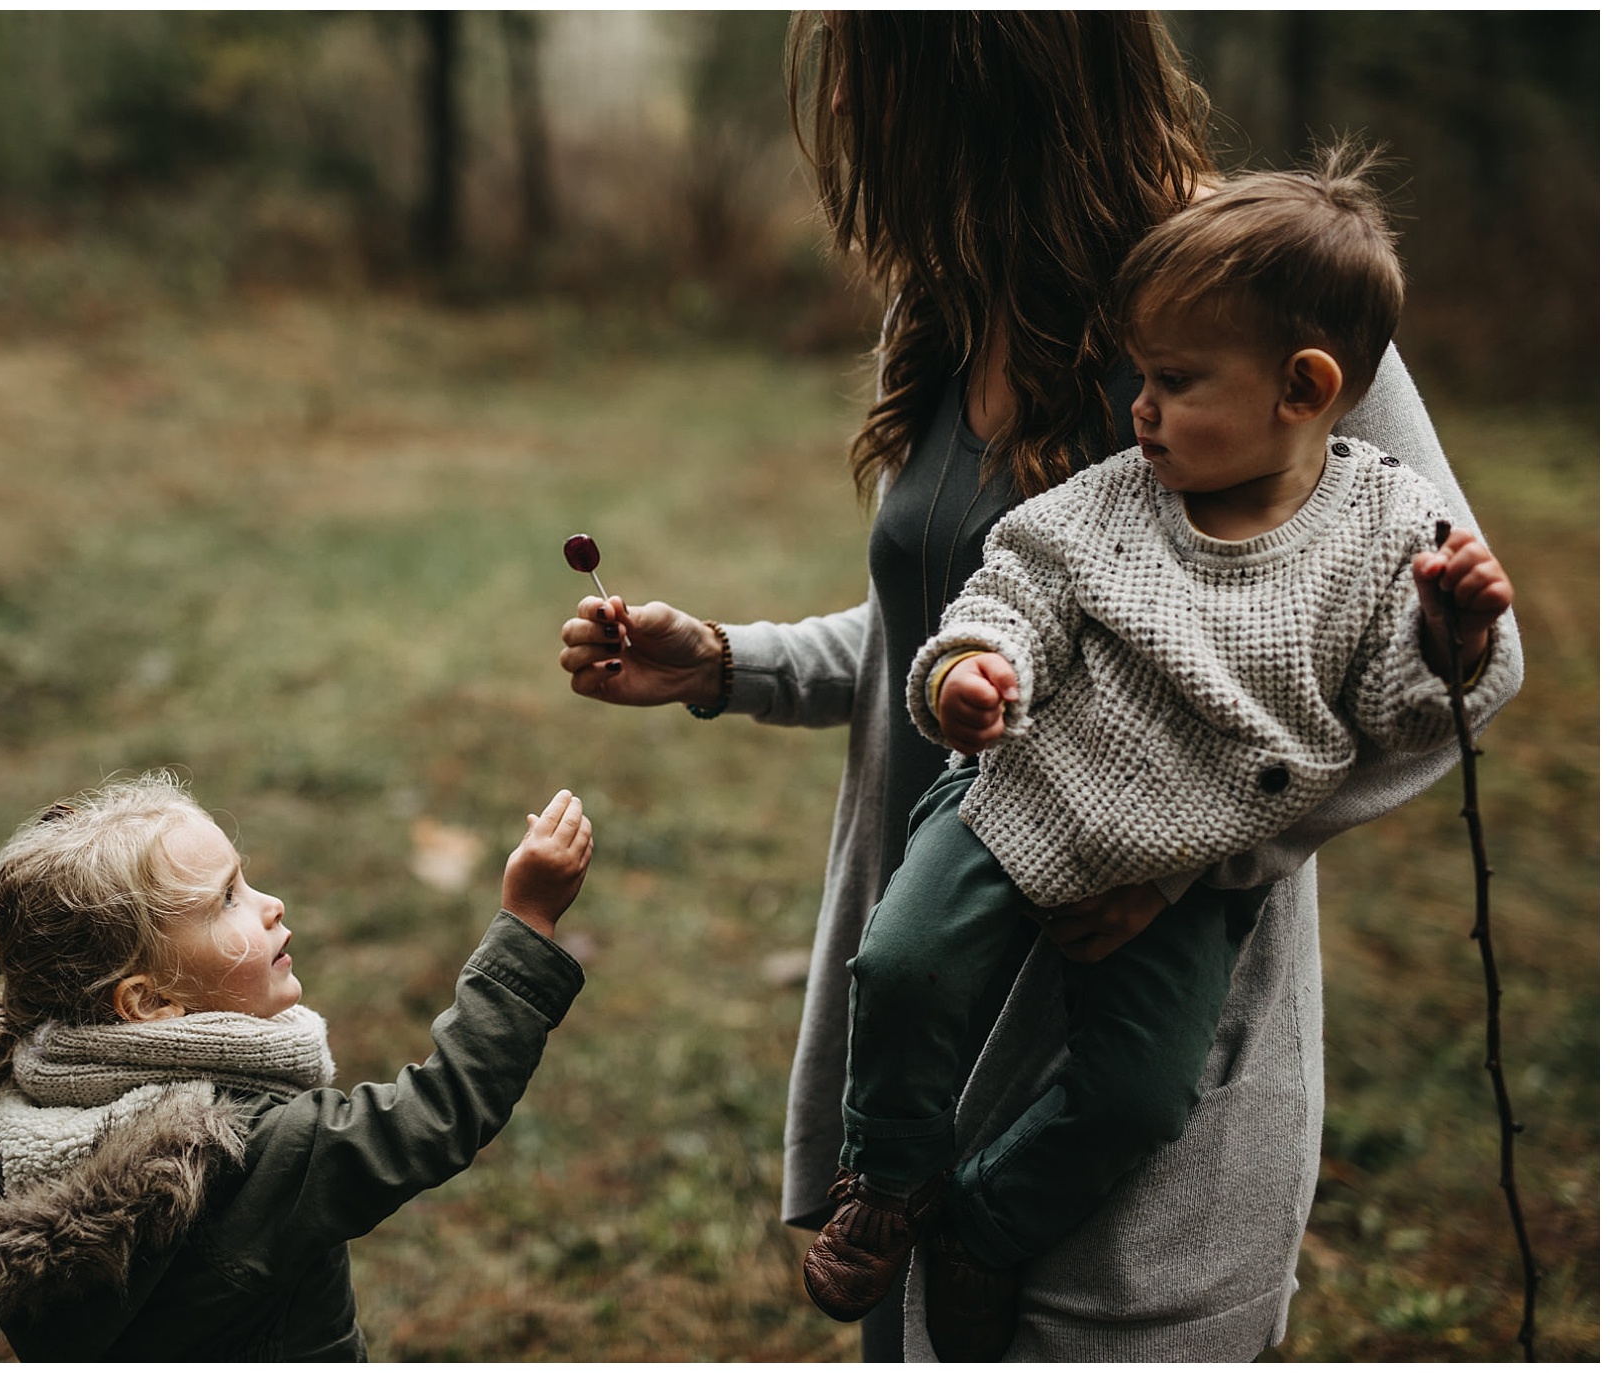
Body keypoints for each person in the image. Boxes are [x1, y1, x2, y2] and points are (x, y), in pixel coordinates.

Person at [556, 12, 1522, 1361]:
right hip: (937, 973)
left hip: (1131, 1030)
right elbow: (972, 631)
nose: (857, 143)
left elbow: (1469, 662)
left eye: (879, 96)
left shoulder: (1258, 295)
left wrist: (1198, 854)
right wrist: (726, 660)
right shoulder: (951, 296)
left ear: (1000, 90)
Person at [798, 151, 1521, 1358]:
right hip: (1017, 798)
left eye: (1174, 381)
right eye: (1140, 373)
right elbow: (1012, 582)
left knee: (1133, 1095)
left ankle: (979, 1222)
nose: (1137, 405)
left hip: (1185, 866)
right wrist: (970, 667)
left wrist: (1448, 637)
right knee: (905, 961)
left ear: (1303, 387)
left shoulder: (1388, 529)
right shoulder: (1117, 495)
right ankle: (889, 1177)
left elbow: (1394, 712)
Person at [0, 773, 593, 1359]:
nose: (270, 905)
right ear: (148, 1001)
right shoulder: (249, 1148)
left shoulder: (19, 1125)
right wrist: (525, 925)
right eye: (227, 900)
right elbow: (439, 1112)